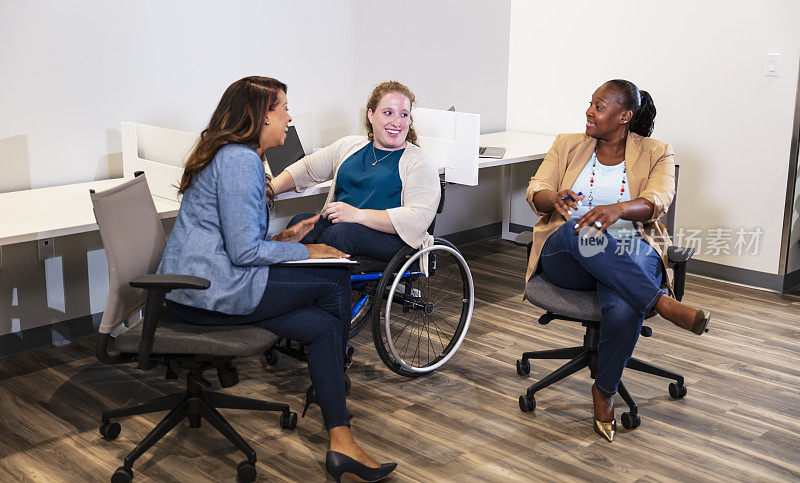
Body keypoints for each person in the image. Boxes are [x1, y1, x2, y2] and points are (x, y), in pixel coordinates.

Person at [157, 76, 396, 481]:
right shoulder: (239, 160)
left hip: (216, 283)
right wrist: (306, 250)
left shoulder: (238, 156)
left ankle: (340, 437)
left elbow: (238, 239)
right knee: (334, 277)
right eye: (283, 108)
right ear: (261, 115)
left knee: (322, 327)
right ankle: (331, 389)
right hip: (204, 292)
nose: (290, 116)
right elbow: (244, 252)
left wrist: (283, 238)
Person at [524, 79, 711, 442]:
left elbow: (658, 200)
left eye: (599, 106)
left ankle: (604, 390)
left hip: (632, 247)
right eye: (590, 104)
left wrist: (619, 209)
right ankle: (662, 302)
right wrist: (552, 196)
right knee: (585, 229)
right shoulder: (567, 143)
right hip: (568, 252)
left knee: (624, 306)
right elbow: (535, 187)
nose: (588, 112)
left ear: (625, 116)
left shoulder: (657, 151)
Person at [269, 80, 440, 261]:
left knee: (339, 235)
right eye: (388, 113)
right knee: (300, 224)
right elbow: (307, 168)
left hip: (392, 239)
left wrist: (357, 215)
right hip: (343, 227)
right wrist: (268, 190)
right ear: (371, 115)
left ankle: (321, 286)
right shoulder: (350, 146)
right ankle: (292, 284)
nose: (397, 122)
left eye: (404, 114)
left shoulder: (420, 162)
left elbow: (417, 219)